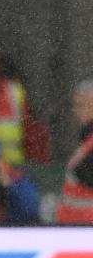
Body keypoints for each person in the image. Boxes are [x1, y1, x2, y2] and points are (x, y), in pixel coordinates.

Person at [56, 80, 93, 224]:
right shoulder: (86, 139)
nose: (77, 110)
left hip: (85, 227)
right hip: (77, 228)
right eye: (77, 105)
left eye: (85, 105)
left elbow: (86, 175)